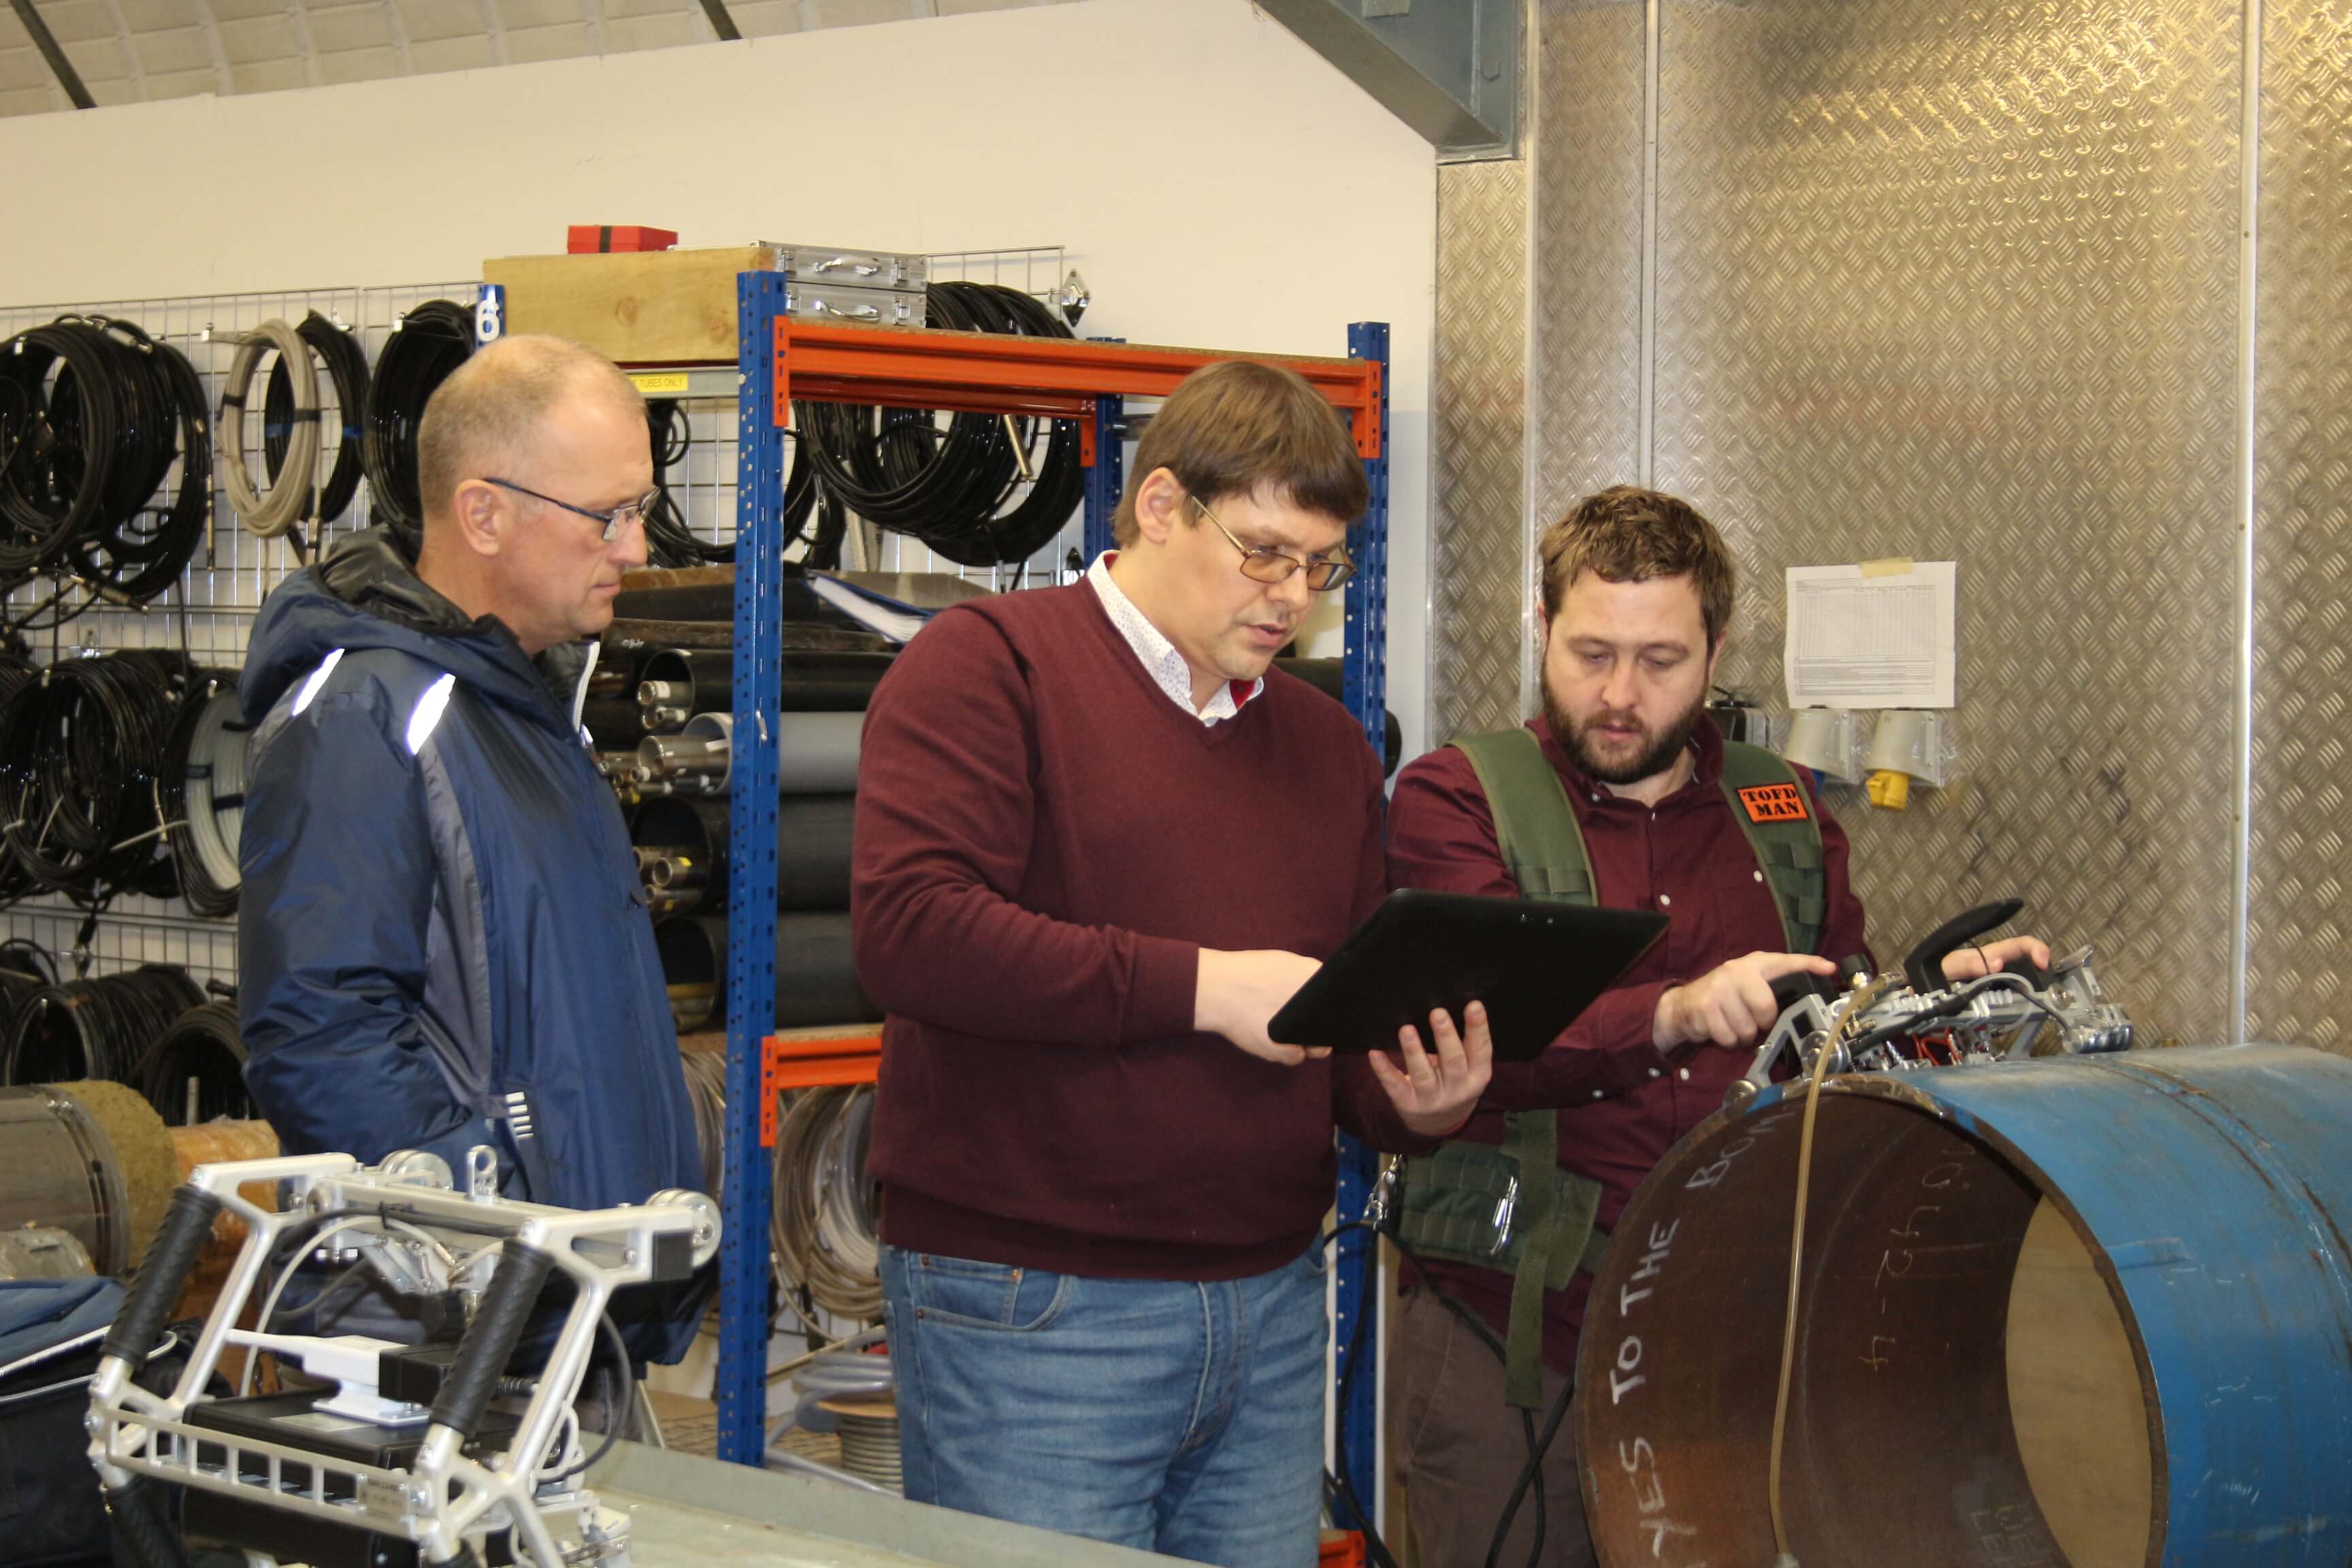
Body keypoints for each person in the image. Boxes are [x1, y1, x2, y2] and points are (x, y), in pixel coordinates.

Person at [851, 359, 1492, 1567]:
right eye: (1261, 553)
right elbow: (915, 932)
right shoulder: (989, 668)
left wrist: (1411, 1104)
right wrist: (1203, 986)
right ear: (1159, 507)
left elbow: (1331, 1025)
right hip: (1034, 1307)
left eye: (1320, 567)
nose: (1291, 596)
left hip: (1271, 1298)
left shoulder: (1322, 744)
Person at [1383, 485, 2046, 1567]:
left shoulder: (1780, 806)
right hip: (1517, 1345)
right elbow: (1486, 1037)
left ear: (1717, 647)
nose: (1617, 693)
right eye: (1590, 651)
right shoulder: (1460, 800)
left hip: (1736, 1346)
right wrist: (1673, 1013)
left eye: (1660, 661)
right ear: (1542, 628)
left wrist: (1936, 1000)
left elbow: (1836, 1012)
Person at [238, 334, 702, 1295]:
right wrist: (481, 1238)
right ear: (483, 515)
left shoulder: (528, 712)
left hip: (558, 1298)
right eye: (607, 515)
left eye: (643, 510)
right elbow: (323, 1032)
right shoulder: (364, 718)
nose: (636, 548)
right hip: (440, 1330)